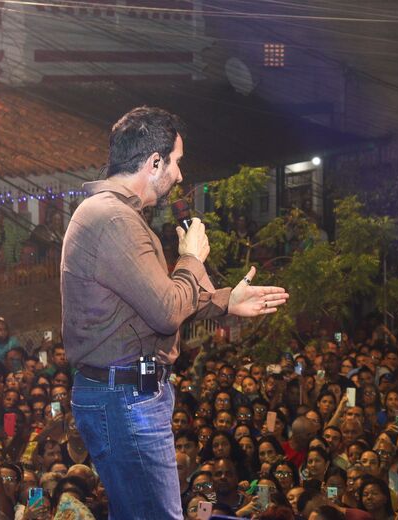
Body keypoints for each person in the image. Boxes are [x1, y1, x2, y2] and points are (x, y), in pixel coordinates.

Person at [61, 106, 289, 520]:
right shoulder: (114, 219)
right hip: (127, 398)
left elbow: (155, 301)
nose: (179, 176)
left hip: (123, 395)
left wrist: (224, 301)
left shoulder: (111, 214)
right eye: (177, 162)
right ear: (154, 162)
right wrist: (191, 259)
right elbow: (167, 311)